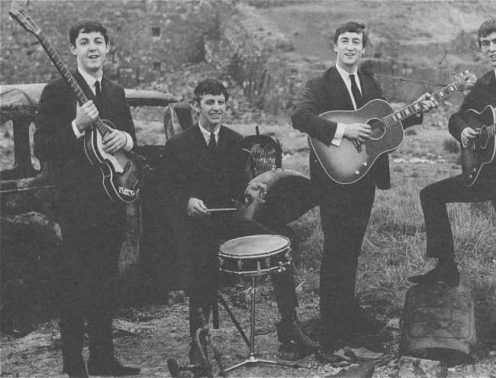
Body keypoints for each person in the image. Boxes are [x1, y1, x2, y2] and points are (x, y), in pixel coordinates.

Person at [291, 21, 436, 355]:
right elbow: (300, 117)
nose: (351, 47)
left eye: (357, 42)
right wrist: (342, 131)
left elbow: (383, 126)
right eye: (345, 41)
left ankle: (347, 321)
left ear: (364, 49)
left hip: (364, 178)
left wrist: (416, 112)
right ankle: (331, 332)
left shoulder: (370, 82)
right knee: (335, 251)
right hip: (333, 179)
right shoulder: (320, 84)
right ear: (335, 47)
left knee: (351, 249)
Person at [162, 79, 319, 367]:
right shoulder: (177, 145)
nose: (217, 108)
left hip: (229, 222)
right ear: (196, 106)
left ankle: (289, 324)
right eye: (210, 102)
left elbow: (238, 188)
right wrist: (187, 201)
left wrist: (250, 191)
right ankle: (198, 343)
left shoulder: (236, 141)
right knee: (201, 260)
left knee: (281, 244)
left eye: (221, 102)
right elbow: (166, 190)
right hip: (195, 226)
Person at [409, 17, 496, 335]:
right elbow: (457, 117)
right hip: (484, 171)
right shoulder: (483, 83)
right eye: (485, 43)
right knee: (431, 194)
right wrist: (465, 130)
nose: (491, 48)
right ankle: (446, 267)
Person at [35, 20, 140, 377]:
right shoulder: (57, 91)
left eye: (99, 41)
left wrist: (125, 140)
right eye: (84, 42)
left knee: (105, 283)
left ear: (107, 48)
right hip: (76, 206)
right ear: (73, 50)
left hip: (111, 202)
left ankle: (103, 359)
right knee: (75, 285)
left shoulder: (115, 91)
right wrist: (77, 125)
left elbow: (132, 143)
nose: (92, 47)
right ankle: (73, 365)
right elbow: (43, 147)